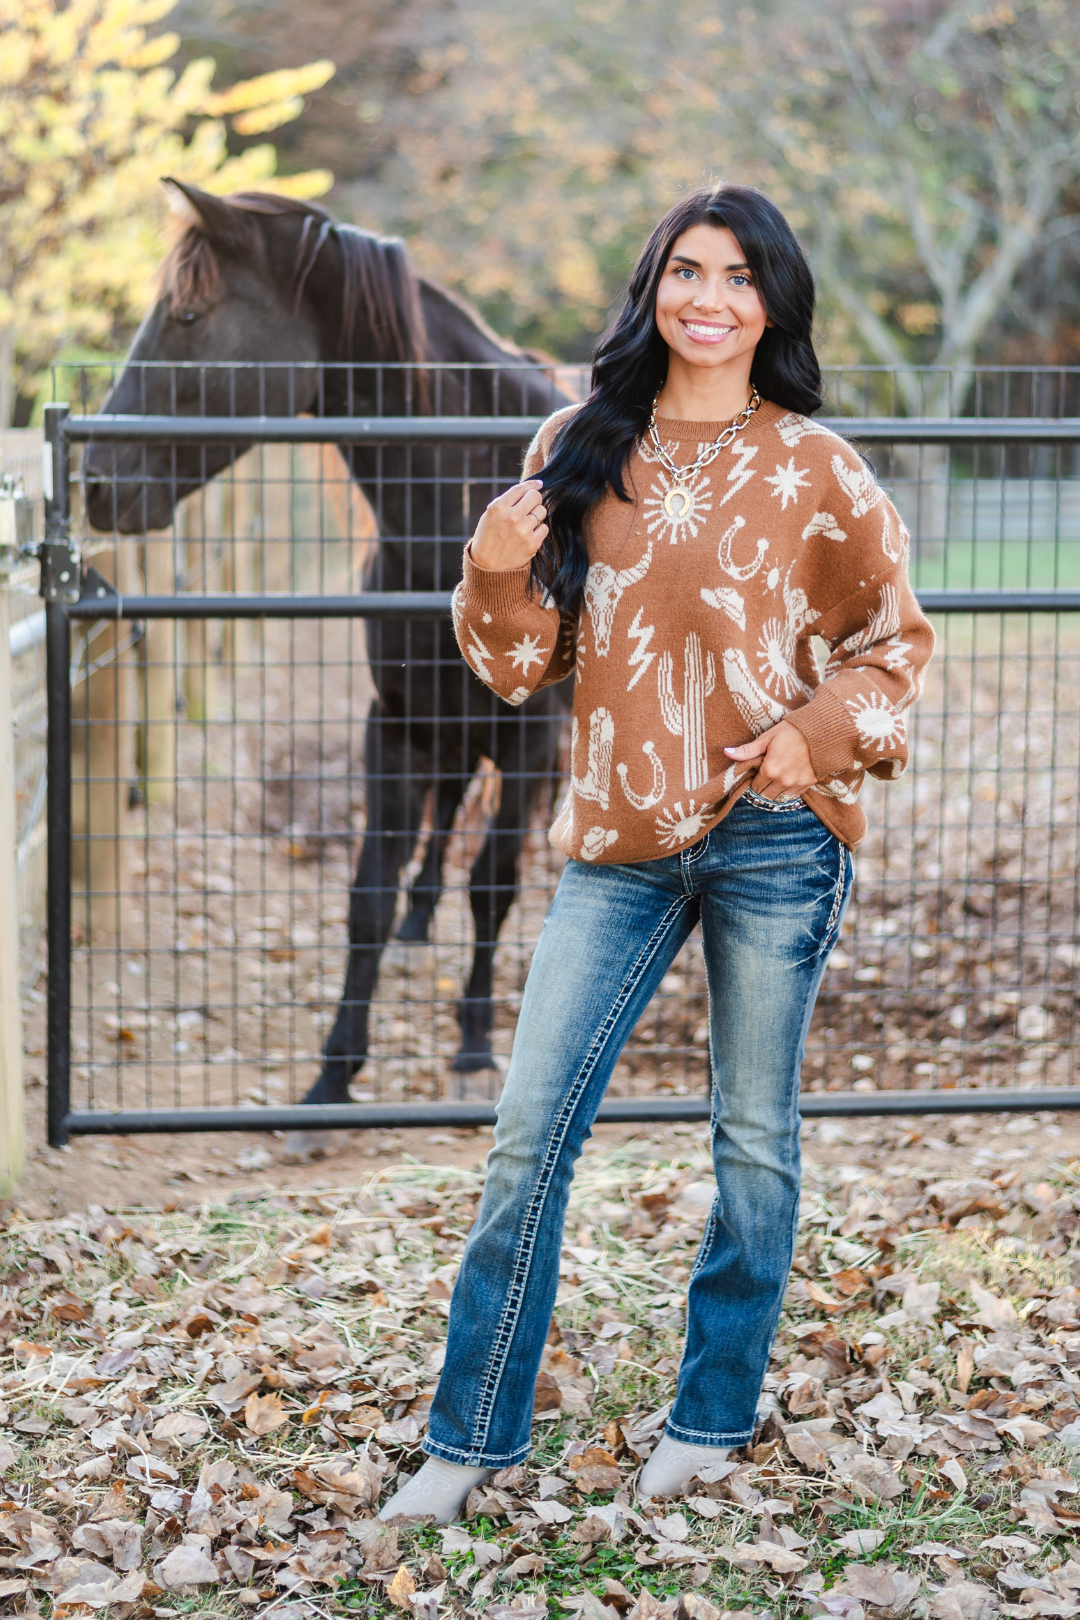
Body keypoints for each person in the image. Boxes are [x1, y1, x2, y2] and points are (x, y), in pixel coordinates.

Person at [380, 182, 933, 1524]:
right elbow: (518, 669)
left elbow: (898, 647)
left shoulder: (819, 468)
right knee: (527, 1138)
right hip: (618, 845)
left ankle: (713, 1414)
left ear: (770, 304)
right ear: (653, 290)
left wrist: (815, 734)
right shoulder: (579, 445)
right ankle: (468, 1442)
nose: (708, 295)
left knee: (752, 1140)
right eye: (686, 270)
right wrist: (498, 569)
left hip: (777, 841)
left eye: (738, 276)